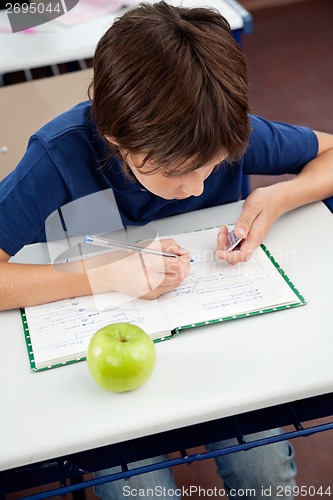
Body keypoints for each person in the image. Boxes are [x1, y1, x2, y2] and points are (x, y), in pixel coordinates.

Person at [1, 1, 333, 498]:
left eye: (212, 167)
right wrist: (107, 273)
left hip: (219, 347)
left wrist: (279, 194)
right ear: (116, 138)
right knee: (141, 491)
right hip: (105, 355)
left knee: (267, 478)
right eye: (177, 174)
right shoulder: (59, 155)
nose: (198, 189)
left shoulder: (213, 126)